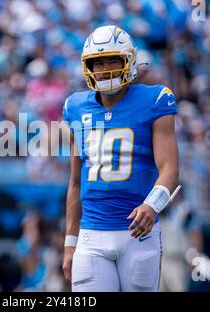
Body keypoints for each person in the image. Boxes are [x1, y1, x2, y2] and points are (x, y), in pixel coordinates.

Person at [62, 25, 179, 292]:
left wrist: (152, 205)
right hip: (91, 236)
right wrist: (70, 243)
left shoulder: (155, 99)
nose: (105, 69)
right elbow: (75, 183)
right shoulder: (75, 107)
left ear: (129, 60)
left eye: (112, 60)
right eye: (98, 62)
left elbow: (170, 169)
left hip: (138, 234)